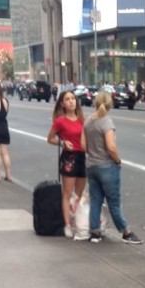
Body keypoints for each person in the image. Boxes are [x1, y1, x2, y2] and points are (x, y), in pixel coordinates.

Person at [82, 90, 143, 245]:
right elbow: (111, 147)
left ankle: (95, 232)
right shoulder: (107, 122)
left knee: (95, 200)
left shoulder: (88, 121)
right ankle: (126, 232)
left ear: (96, 103)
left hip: (91, 165)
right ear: (110, 104)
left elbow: (83, 145)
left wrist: (93, 153)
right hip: (107, 166)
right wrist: (118, 161)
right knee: (114, 201)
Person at [47, 89, 86, 238]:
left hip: (82, 156)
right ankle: (67, 224)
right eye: (68, 99)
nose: (71, 101)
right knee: (67, 194)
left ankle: (76, 219)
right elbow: (50, 138)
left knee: (79, 194)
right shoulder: (60, 121)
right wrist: (63, 143)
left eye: (73, 99)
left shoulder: (82, 119)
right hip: (69, 158)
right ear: (62, 104)